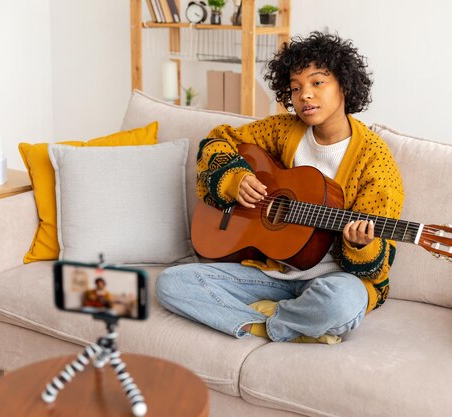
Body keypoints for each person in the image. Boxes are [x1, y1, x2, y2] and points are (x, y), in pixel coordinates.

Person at [156, 31, 405, 343]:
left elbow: (375, 267)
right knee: (170, 283)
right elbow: (220, 139)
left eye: (317, 83)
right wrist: (236, 179)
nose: (305, 95)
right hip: (270, 274)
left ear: (344, 84)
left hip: (333, 280)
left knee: (341, 303)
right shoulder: (282, 130)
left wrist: (360, 245)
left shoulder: (375, 160)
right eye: (296, 87)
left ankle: (266, 324)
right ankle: (294, 324)